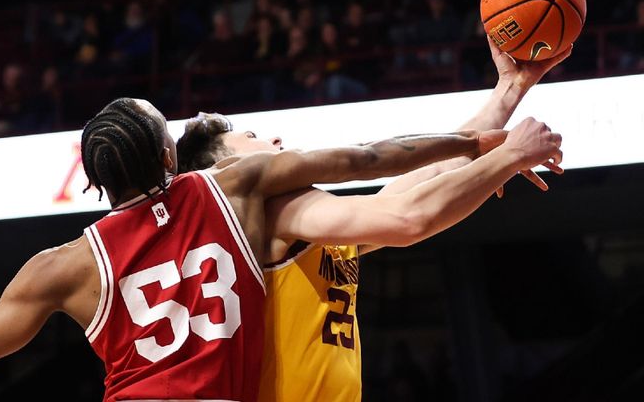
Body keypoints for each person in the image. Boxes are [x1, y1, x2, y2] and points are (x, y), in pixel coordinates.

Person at [0, 96, 561, 401]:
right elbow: (374, 158)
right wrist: (477, 146)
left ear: (95, 179)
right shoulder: (232, 193)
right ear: (170, 157)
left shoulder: (62, 266)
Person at [175, 39, 570, 402]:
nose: (275, 140)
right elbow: (410, 218)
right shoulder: (271, 215)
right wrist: (507, 157)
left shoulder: (306, 222)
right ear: (228, 169)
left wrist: (511, 89)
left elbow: (427, 180)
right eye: (252, 136)